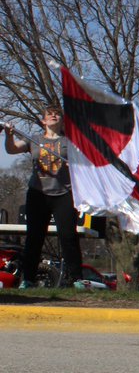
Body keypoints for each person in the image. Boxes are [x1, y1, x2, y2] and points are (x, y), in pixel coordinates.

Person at [2, 105, 84, 288]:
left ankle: (77, 278)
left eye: (57, 114)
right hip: (38, 194)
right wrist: (8, 135)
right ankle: (28, 279)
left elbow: (84, 162)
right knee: (34, 236)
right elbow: (12, 149)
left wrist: (76, 166)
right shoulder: (34, 140)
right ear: (43, 120)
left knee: (68, 235)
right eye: (50, 114)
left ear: (61, 120)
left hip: (64, 193)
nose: (54, 116)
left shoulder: (68, 142)